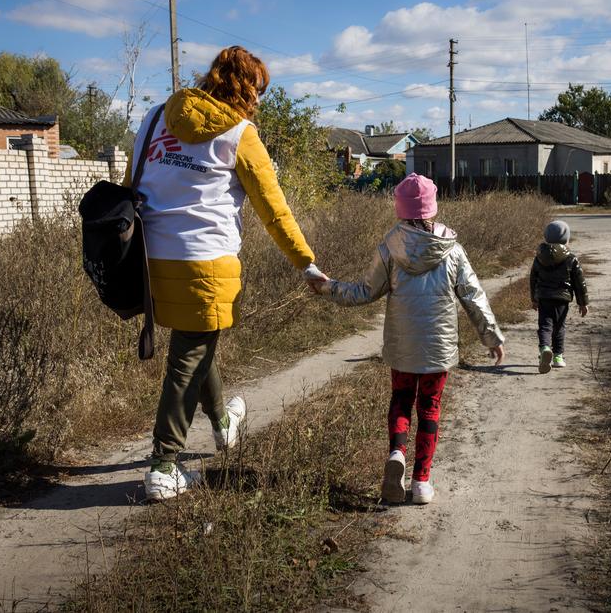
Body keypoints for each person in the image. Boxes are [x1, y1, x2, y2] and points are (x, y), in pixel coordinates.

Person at [128, 46, 328, 501]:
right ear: (247, 90)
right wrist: (306, 264)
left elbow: (130, 185)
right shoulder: (240, 133)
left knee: (198, 340)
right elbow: (273, 210)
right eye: (258, 91)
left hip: (149, 262)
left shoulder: (156, 117)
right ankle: (163, 466)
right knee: (187, 357)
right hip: (206, 262)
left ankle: (222, 423)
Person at [310, 173, 504, 505]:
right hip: (438, 347)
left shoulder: (389, 248)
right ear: (433, 208)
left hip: (402, 345)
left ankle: (397, 453)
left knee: (401, 399)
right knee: (429, 406)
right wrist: (491, 336)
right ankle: (421, 482)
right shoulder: (452, 251)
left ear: (401, 209)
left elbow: (364, 292)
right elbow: (473, 295)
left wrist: (327, 286)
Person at [529, 220, 589, 374]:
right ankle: (558, 357)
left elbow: (533, 279)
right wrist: (583, 303)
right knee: (559, 326)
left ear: (546, 237)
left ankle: (544, 349)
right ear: (566, 239)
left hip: (544, 297)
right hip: (562, 299)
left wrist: (534, 299)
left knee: (545, 325)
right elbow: (579, 282)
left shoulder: (539, 257)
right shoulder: (571, 258)